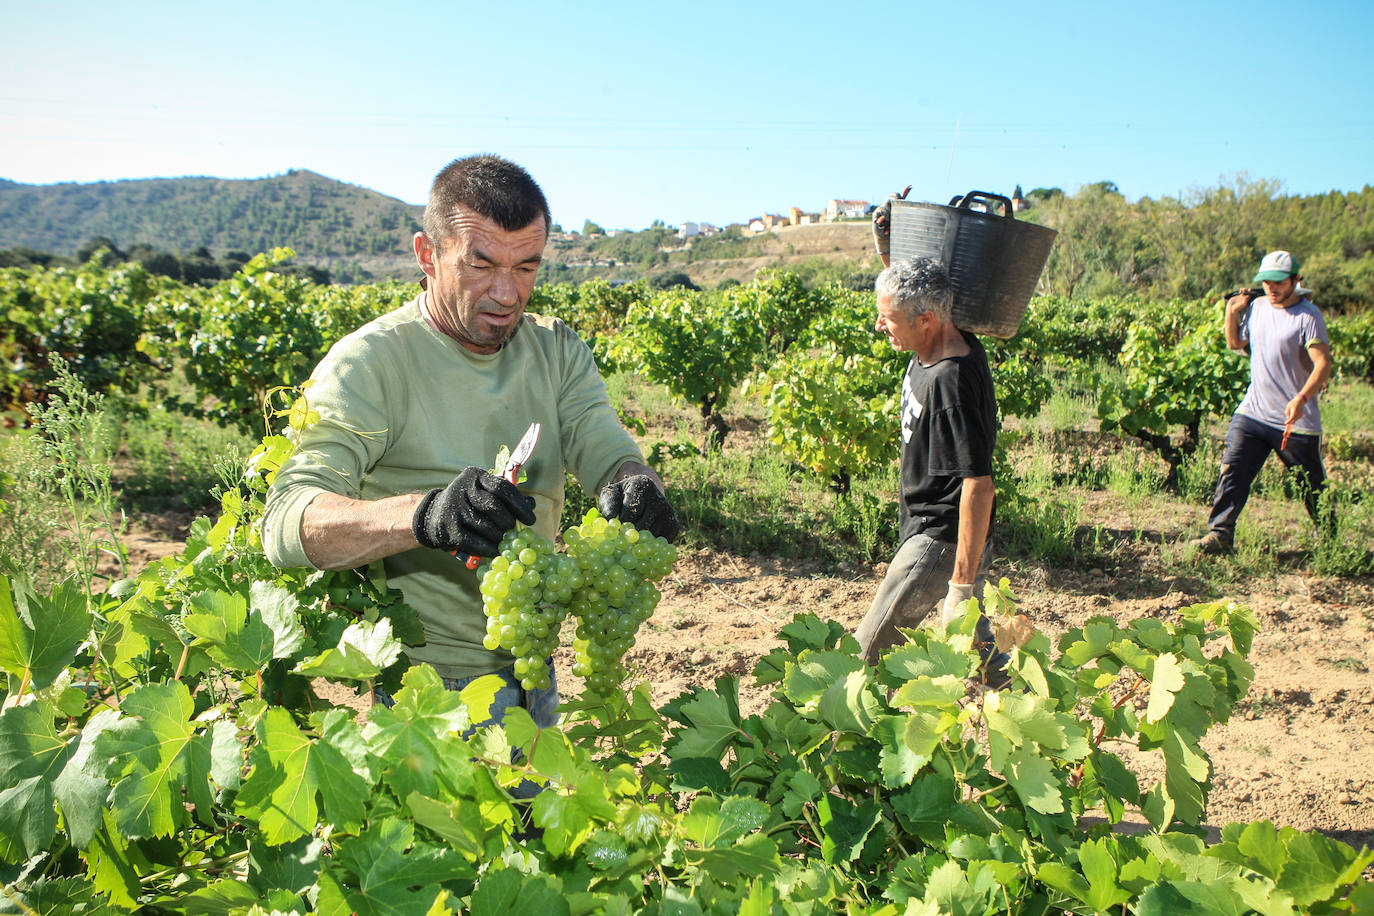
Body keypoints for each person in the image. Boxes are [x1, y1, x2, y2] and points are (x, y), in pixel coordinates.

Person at [262, 154, 680, 729]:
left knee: (537, 815)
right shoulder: (371, 363)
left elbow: (604, 444)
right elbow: (288, 523)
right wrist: (425, 515)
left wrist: (636, 481)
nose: (508, 294)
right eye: (480, 266)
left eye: (527, 268)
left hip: (534, 662)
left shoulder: (555, 351)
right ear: (428, 256)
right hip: (431, 687)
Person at [851, 254, 1007, 685]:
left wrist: (960, 582)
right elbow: (910, 290)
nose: (881, 327)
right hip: (941, 533)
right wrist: (885, 240)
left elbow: (979, 485)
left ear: (926, 320)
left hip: (939, 540)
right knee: (976, 653)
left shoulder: (950, 381)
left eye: (889, 319)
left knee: (864, 653)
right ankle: (1031, 725)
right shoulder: (938, 339)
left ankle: (825, 732)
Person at [1193, 250, 1332, 555]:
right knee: (1233, 469)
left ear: (1296, 280)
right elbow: (1235, 344)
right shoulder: (1256, 307)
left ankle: (1332, 543)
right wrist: (1232, 313)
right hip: (1254, 412)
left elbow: (1322, 364)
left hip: (1294, 419)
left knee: (1311, 487)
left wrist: (1302, 397)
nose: (1272, 287)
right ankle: (1220, 534)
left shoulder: (1309, 316)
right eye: (1266, 281)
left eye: (1279, 282)